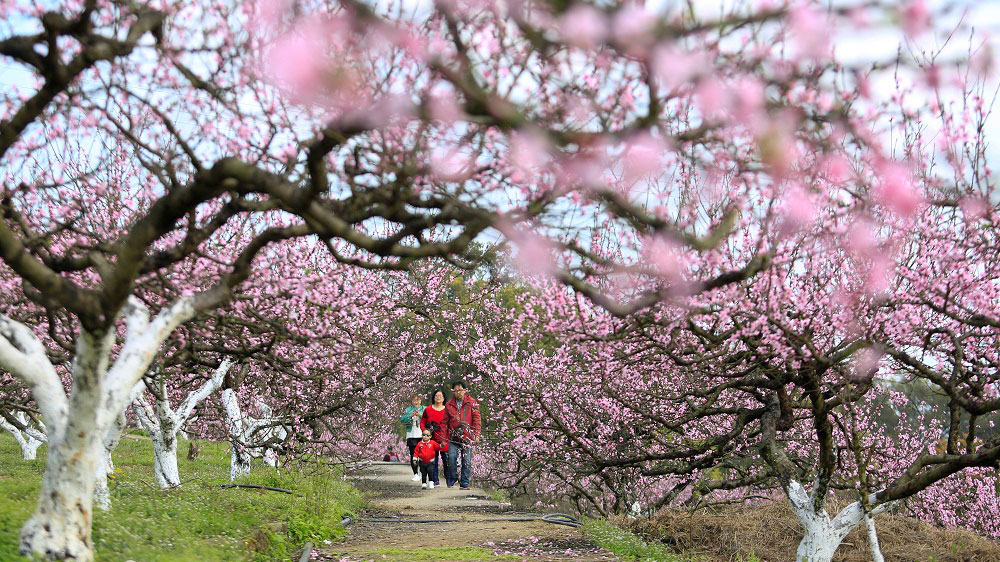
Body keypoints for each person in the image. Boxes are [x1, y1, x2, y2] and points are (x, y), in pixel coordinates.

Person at [443, 380, 481, 490]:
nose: (458, 392)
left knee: (467, 461)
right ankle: (453, 478)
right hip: (453, 436)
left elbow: (477, 418)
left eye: (460, 390)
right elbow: (444, 422)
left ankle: (464, 483)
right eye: (455, 390)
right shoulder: (449, 404)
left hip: (468, 436)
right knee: (451, 458)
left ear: (465, 390)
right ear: (453, 391)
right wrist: (444, 438)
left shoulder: (472, 402)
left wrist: (476, 433)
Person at [420, 389, 449, 487]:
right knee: (433, 461)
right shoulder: (428, 409)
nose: (438, 397)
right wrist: (425, 431)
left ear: (444, 398)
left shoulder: (447, 410)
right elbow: (422, 422)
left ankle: (449, 480)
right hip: (432, 438)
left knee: (447, 460)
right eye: (436, 395)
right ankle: (435, 480)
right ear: (433, 397)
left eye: (440, 395)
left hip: (444, 438)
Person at [399, 394, 425, 482]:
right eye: (414, 400)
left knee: (423, 454)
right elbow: (402, 420)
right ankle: (415, 473)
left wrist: (420, 415)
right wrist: (410, 416)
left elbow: (429, 419)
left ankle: (422, 472)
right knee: (413, 454)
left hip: (423, 434)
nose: (416, 402)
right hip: (411, 434)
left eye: (418, 400)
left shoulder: (424, 409)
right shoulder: (408, 410)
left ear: (420, 401)